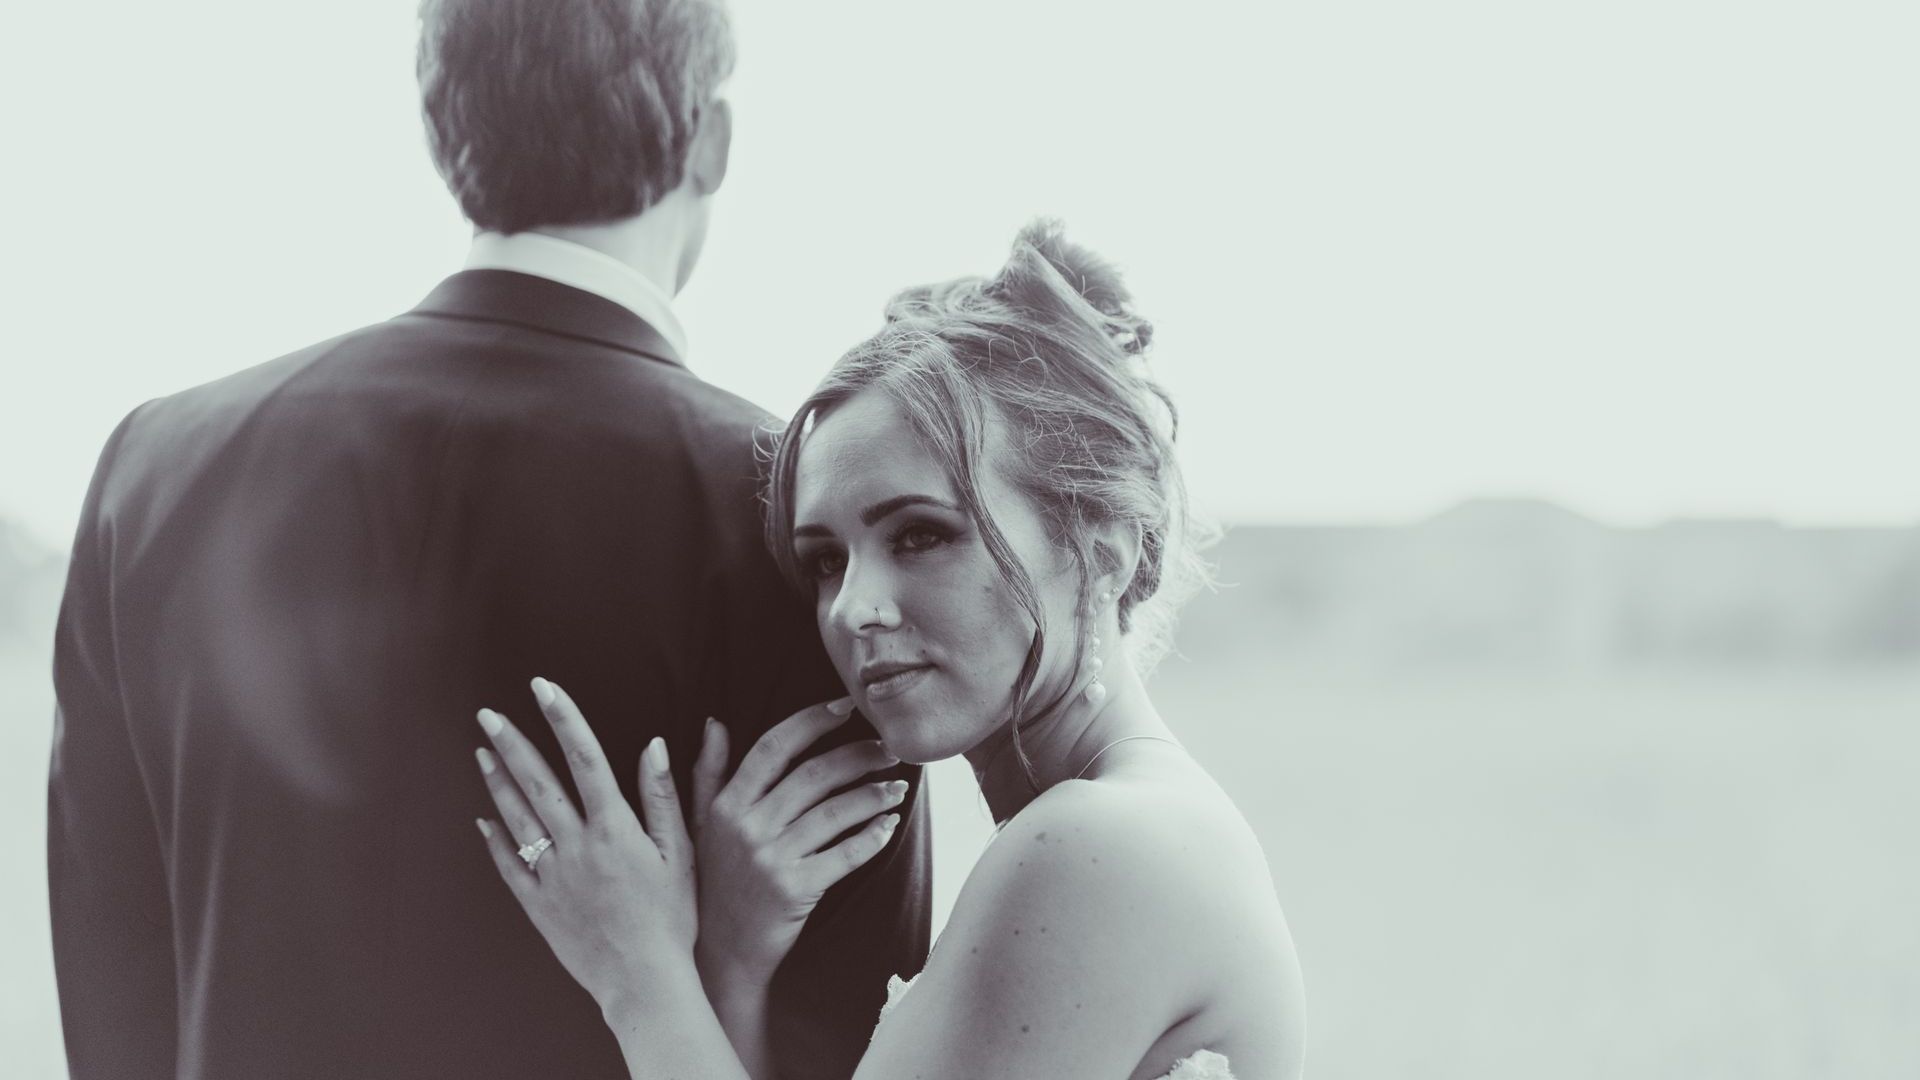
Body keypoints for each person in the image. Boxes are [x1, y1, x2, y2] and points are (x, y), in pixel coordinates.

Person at [45, 1, 927, 1076]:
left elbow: (115, 982)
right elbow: (859, 1033)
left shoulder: (155, 463)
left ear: (440, 126)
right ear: (713, 141)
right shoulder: (798, 514)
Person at [470, 222, 1308, 1079]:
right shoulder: (1132, 825)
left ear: (1100, 548)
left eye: (919, 536)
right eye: (826, 560)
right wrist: (731, 960)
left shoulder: (1095, 849)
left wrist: (636, 971)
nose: (852, 610)